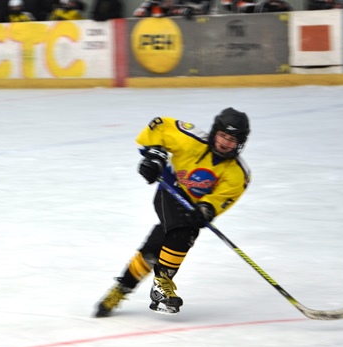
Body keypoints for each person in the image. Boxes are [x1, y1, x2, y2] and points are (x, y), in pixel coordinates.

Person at [94, 108, 251, 317]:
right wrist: (154, 155)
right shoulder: (191, 139)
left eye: (232, 139)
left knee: (155, 248)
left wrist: (208, 208)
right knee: (183, 232)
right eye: (223, 135)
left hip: (192, 208)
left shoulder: (238, 173)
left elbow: (222, 198)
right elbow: (159, 125)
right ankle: (161, 286)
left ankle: (121, 289)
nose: (225, 142)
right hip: (169, 191)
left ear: (240, 143)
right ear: (215, 132)